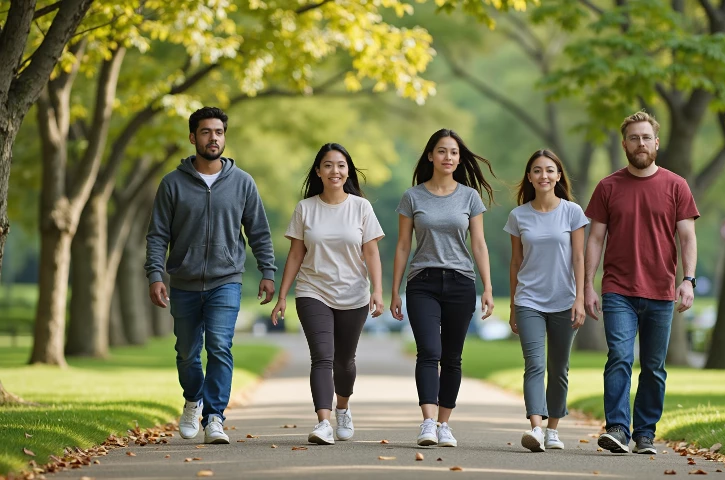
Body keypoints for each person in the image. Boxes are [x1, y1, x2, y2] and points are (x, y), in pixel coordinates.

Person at [145, 106, 277, 444]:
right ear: (193, 138)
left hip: (226, 279)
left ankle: (214, 417)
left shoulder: (242, 183)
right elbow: (158, 234)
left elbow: (258, 231)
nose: (213, 138)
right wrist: (156, 275)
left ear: (224, 137)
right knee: (188, 352)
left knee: (220, 346)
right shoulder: (172, 184)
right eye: (206, 132)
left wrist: (267, 270)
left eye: (218, 132)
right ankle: (193, 400)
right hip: (185, 282)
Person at [584, 111, 699, 455]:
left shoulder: (676, 185)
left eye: (646, 137)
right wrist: (588, 285)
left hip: (661, 291)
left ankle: (645, 433)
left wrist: (688, 280)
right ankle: (618, 428)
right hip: (618, 288)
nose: (640, 143)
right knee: (619, 356)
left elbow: (688, 238)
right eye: (633, 138)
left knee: (653, 366)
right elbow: (595, 239)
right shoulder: (608, 186)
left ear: (656, 143)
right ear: (624, 144)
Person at [270, 143, 384, 445]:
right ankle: (323, 422)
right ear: (318, 171)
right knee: (322, 357)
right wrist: (283, 296)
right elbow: (295, 254)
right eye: (329, 165)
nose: (336, 171)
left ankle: (343, 409)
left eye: (341, 165)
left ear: (348, 171)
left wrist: (378, 290)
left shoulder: (361, 207)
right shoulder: (305, 208)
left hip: (354, 293)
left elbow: (371, 252)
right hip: (312, 290)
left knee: (345, 361)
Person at [390, 128, 496, 448]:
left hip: (461, 283)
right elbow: (403, 245)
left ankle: (444, 424)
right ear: (430, 156)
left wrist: (488, 287)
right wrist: (394, 290)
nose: (447, 157)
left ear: (459, 158)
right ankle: (427, 422)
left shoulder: (469, 197)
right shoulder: (413, 196)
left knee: (452, 357)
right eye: (441, 151)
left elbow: (478, 244)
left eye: (453, 152)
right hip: (422, 282)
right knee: (429, 352)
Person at [504, 149, 588, 452]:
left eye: (550, 170)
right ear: (530, 177)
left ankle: (553, 429)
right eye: (537, 170)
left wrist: (580, 298)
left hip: (565, 299)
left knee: (559, 367)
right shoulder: (518, 215)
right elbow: (516, 262)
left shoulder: (572, 212)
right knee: (534, 365)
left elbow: (579, 257)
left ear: (558, 176)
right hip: (529, 300)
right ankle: (536, 429)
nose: (544, 176)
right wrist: (514, 304)